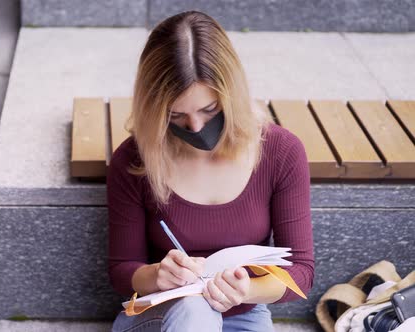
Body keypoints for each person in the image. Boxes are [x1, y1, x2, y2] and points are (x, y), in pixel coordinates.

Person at [107, 10, 315, 332]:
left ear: (231, 95)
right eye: (175, 116)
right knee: (194, 309)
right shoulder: (136, 159)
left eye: (210, 109)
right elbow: (122, 269)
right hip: (162, 311)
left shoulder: (280, 152)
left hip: (245, 314)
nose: (196, 126)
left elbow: (301, 270)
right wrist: (156, 275)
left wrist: (244, 291)